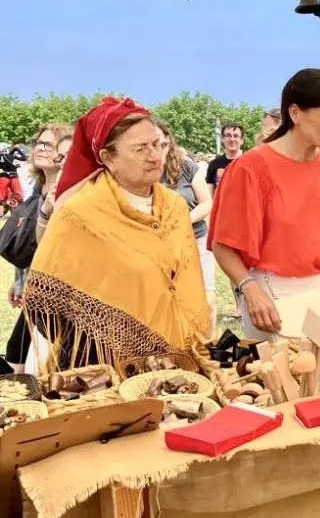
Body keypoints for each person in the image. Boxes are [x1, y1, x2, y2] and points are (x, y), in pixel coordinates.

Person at [23, 98, 209, 370]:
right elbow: (46, 302)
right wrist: (112, 339)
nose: (155, 156)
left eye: (157, 144)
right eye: (140, 149)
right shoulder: (79, 214)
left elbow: (184, 279)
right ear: (107, 158)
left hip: (177, 360)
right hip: (107, 371)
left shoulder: (175, 207)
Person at [208, 69, 320, 339]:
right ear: (296, 113)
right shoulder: (249, 169)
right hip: (271, 303)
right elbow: (223, 245)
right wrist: (249, 289)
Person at [5, 125, 72, 373]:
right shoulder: (39, 187)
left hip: (52, 289)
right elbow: (27, 242)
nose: (40, 149)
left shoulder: (68, 191)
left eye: (49, 145)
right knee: (18, 350)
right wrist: (19, 281)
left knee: (37, 356)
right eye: (39, 143)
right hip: (32, 283)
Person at [156, 121, 216, 337]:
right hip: (160, 244)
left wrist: (179, 221)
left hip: (196, 238)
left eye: (163, 143)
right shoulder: (142, 173)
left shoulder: (186, 167)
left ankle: (209, 347)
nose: (158, 149)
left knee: (206, 301)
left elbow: (206, 203)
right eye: (153, 144)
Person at [206, 123, 244, 197]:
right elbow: (209, 195)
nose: (232, 139)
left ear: (242, 140)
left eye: (236, 136)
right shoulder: (214, 164)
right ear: (222, 139)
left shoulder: (251, 162)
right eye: (228, 135)